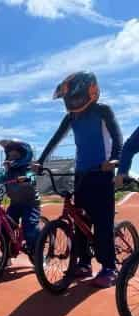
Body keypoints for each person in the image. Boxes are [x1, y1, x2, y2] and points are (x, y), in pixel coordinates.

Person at [35, 71, 123, 288]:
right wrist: (41, 160)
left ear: (91, 92)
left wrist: (115, 159)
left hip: (102, 172)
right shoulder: (71, 117)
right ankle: (83, 263)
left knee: (102, 221)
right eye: (68, 99)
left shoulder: (103, 111)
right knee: (80, 221)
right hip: (81, 173)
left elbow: (117, 136)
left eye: (75, 97)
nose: (71, 103)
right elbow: (56, 138)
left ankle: (109, 267)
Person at [0, 139, 41, 257]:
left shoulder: (28, 169)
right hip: (15, 204)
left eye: (15, 154)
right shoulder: (8, 170)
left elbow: (32, 177)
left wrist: (27, 178)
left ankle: (36, 251)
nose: (11, 157)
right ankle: (6, 254)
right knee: (5, 227)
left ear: (24, 155)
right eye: (10, 154)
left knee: (29, 226)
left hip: (30, 204)